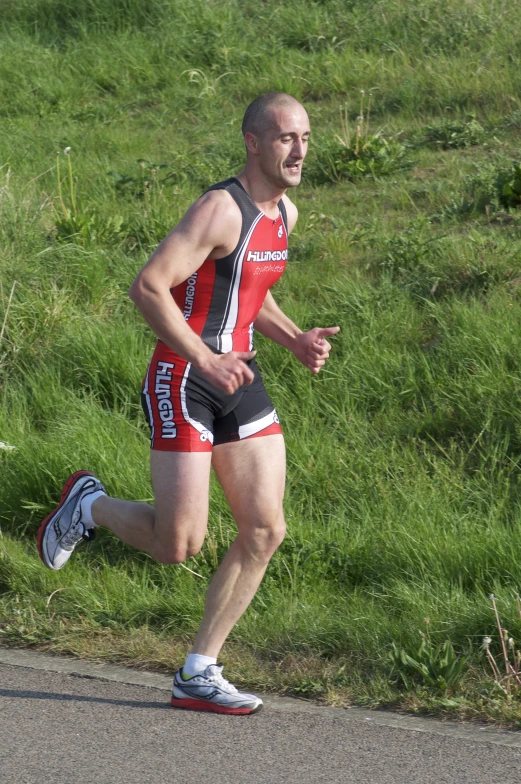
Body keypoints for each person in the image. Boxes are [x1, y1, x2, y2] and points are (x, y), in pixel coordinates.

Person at [37, 92, 340, 715]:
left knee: (265, 528)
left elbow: (250, 292)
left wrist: (294, 339)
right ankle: (88, 506)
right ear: (253, 142)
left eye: (306, 137)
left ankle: (198, 670)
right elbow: (148, 287)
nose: (301, 150)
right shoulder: (217, 209)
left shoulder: (285, 214)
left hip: (240, 374)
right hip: (185, 374)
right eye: (286, 138)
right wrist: (203, 358)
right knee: (179, 545)